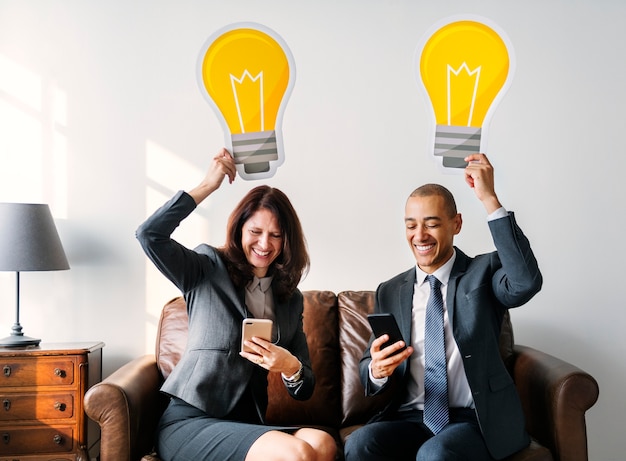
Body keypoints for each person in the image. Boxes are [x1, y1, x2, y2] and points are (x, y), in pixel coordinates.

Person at [136, 148, 337, 461]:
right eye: (255, 231)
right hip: (192, 420)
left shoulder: (289, 298)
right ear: (240, 229)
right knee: (297, 453)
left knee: (323, 443)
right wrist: (207, 185)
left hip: (246, 423)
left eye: (275, 235)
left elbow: (305, 385)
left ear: (286, 241)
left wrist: (290, 366)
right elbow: (149, 235)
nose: (264, 244)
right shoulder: (206, 268)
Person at [344, 153, 542, 461]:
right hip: (412, 417)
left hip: (474, 419)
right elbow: (371, 365)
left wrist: (489, 199)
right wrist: (377, 370)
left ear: (456, 224)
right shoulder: (391, 290)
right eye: (411, 225)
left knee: (435, 455)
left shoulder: (483, 272)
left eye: (432, 224)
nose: (419, 235)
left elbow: (525, 282)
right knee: (359, 444)